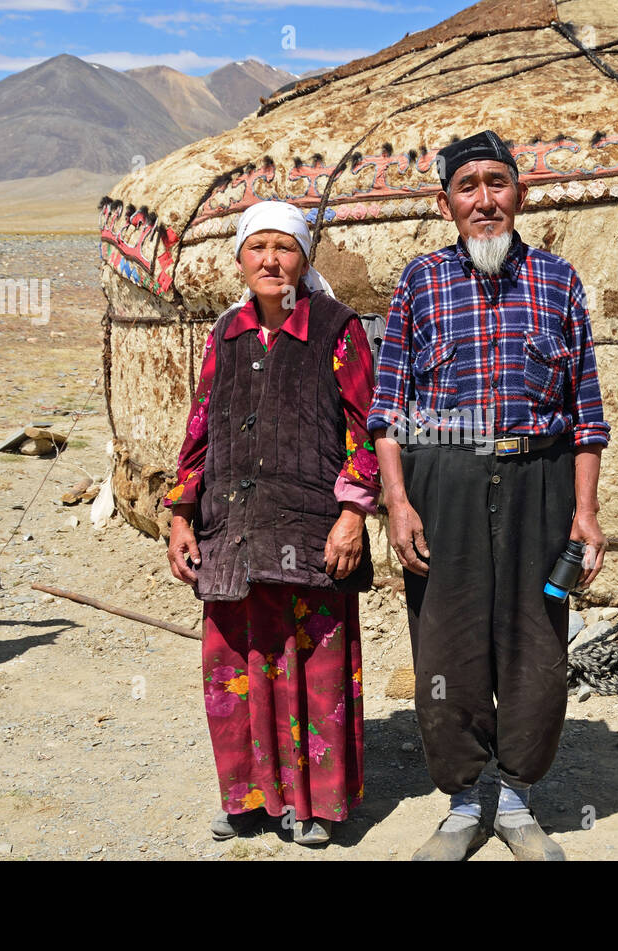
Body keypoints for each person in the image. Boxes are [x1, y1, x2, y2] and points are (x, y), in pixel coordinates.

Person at [367, 130, 610, 861]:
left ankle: (516, 798)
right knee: (448, 637)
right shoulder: (419, 282)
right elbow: (387, 410)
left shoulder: (558, 280)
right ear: (446, 203)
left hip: (540, 475)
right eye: (467, 185)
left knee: (536, 634)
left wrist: (586, 513)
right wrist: (398, 503)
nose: (484, 199)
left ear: (520, 195)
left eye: (496, 183)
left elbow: (588, 411)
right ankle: (464, 797)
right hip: (445, 478)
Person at [166, 200, 380, 847]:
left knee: (313, 664)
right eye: (257, 247)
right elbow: (198, 429)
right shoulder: (225, 335)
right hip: (229, 528)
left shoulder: (337, 329)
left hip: (311, 526)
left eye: (283, 248)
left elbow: (367, 426)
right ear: (238, 260)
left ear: (304, 259)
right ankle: (249, 798)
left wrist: (353, 512)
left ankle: (315, 804)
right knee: (236, 665)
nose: (269, 259)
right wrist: (180, 512)